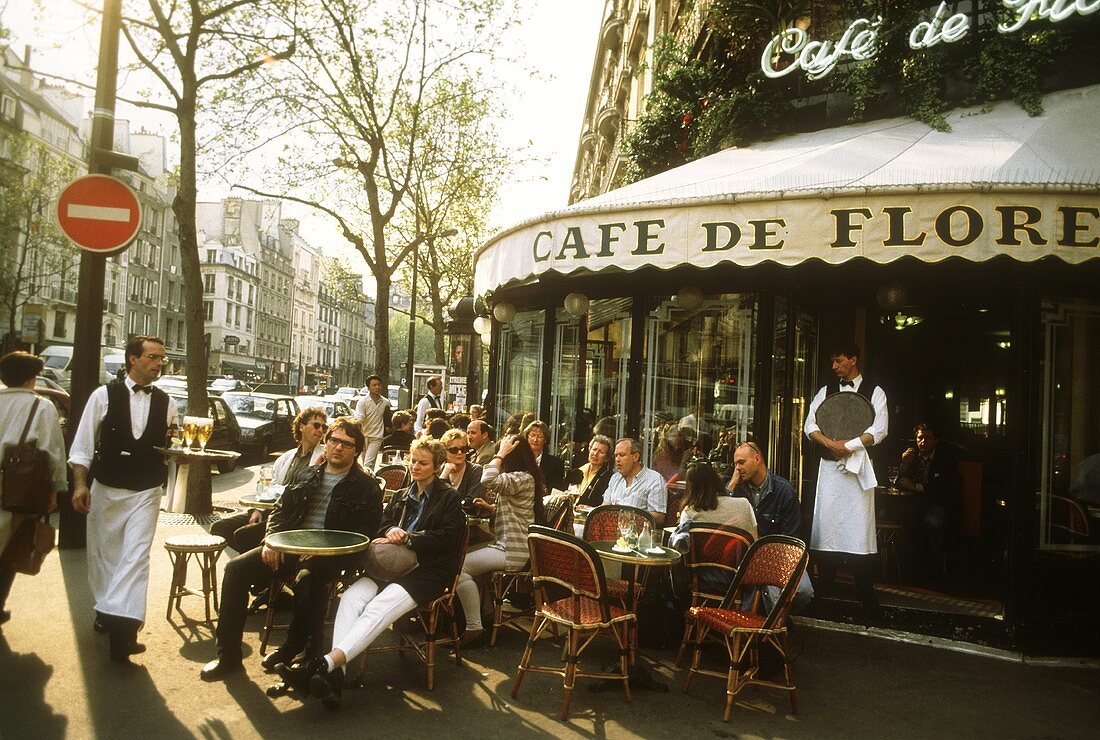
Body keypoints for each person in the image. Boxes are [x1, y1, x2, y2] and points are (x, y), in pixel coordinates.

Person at [280, 436, 465, 708]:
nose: (415, 467)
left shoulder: (448, 497)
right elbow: (380, 524)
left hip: (427, 572)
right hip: (388, 566)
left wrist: (410, 538)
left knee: (377, 607)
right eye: (413, 460)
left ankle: (324, 665)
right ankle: (335, 678)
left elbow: (450, 537)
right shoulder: (401, 495)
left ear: (437, 466)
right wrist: (389, 530)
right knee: (351, 599)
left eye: (423, 463)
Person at [200, 418, 383, 681]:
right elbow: (280, 511)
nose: (338, 448)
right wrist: (271, 540)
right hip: (290, 546)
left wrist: (322, 548)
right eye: (334, 440)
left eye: (347, 444)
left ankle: (295, 648)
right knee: (235, 569)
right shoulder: (306, 474)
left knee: (308, 580)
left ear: (357, 450)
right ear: (326, 442)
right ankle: (227, 655)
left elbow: (363, 535)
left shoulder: (366, 488)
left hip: (332, 555)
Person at [70, 335, 179, 663]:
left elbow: (172, 448)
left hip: (147, 491)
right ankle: (108, 610)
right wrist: (79, 485)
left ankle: (123, 634)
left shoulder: (167, 402)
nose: (159, 363)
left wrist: (180, 456)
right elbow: (82, 445)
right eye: (152, 357)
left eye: (162, 357)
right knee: (106, 557)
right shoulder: (103, 396)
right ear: (132, 359)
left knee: (135, 558)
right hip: (107, 489)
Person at [804, 342, 888, 611]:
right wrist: (830, 444)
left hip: (858, 469)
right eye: (833, 360)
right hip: (829, 469)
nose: (834, 366)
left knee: (858, 528)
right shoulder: (825, 391)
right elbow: (810, 425)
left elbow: (880, 430)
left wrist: (848, 446)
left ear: (853, 360)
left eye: (839, 360)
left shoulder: (875, 392)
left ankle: (865, 591)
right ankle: (823, 586)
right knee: (826, 525)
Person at [454, 433, 545, 646]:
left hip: (512, 550)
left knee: (460, 566)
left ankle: (474, 627)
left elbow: (487, 479)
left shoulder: (522, 478)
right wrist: (491, 508)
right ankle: (485, 614)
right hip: (511, 546)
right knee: (465, 555)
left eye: (504, 454)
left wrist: (501, 453)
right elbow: (518, 510)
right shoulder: (524, 478)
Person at [0, 352, 68, 628]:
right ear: (31, 379)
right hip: (18, 486)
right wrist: (56, 488)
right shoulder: (41, 407)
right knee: (10, 547)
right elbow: (52, 450)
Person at [212, 407, 328, 555]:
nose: (320, 430)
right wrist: (257, 510)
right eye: (316, 425)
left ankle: (257, 563)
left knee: (242, 535)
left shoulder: (322, 458)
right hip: (271, 509)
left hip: (289, 517)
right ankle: (259, 562)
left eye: (324, 427)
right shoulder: (287, 457)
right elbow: (270, 488)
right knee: (220, 527)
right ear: (301, 426)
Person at [726, 441, 814, 611]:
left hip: (777, 555)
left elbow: (791, 539)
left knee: (804, 591)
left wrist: (769, 562)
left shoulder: (784, 491)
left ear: (757, 458)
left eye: (741, 462)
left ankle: (777, 618)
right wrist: (730, 486)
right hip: (744, 557)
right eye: (735, 463)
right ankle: (769, 625)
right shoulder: (737, 488)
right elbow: (721, 514)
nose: (737, 468)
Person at [897, 423, 960, 576]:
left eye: (928, 438)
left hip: (938, 503)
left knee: (933, 522)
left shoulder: (945, 459)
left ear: (935, 440)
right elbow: (899, 482)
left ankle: (934, 570)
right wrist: (904, 464)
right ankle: (907, 567)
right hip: (915, 504)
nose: (923, 442)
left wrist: (916, 487)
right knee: (903, 519)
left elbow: (944, 488)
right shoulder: (913, 457)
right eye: (920, 438)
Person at [604, 437, 668, 526]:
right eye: (616, 455)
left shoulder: (655, 480)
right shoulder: (615, 478)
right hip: (609, 529)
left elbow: (659, 517)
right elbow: (604, 507)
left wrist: (628, 516)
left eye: (622, 455)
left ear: (635, 457)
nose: (617, 459)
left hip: (636, 533)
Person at [439, 428, 483, 509]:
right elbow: (433, 500)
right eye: (454, 450)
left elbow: (470, 503)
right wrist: (444, 476)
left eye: (463, 449)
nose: (459, 453)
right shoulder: (439, 470)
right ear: (444, 452)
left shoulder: (476, 470)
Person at [354, 375, 391, 469]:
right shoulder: (362, 402)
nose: (377, 387)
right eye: (374, 385)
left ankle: (367, 481)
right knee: (364, 462)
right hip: (363, 435)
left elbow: (387, 418)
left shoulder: (385, 402)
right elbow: (359, 419)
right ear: (368, 387)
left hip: (376, 436)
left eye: (379, 385)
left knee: (368, 463)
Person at [571, 434, 614, 508]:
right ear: (589, 450)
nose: (595, 454)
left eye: (601, 452)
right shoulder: (574, 472)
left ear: (607, 458)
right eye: (594, 449)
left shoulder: (609, 478)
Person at [525, 420, 565, 493]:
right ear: (527, 437)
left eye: (540, 437)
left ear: (545, 440)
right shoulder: (519, 460)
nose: (535, 440)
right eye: (532, 435)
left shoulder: (556, 464)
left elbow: (556, 491)